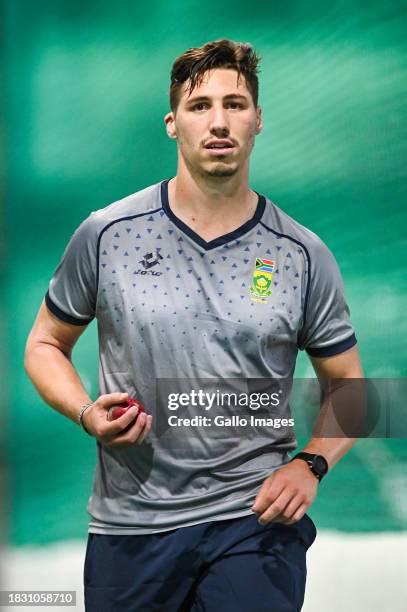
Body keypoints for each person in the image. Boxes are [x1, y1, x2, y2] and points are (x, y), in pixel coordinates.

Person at [24, 39, 363, 611]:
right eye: (199, 105)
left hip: (252, 524)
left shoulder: (303, 254)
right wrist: (85, 412)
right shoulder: (106, 234)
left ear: (258, 120)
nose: (219, 121)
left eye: (234, 104)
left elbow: (354, 388)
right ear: (172, 123)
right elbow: (43, 344)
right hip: (130, 528)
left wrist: (312, 463)